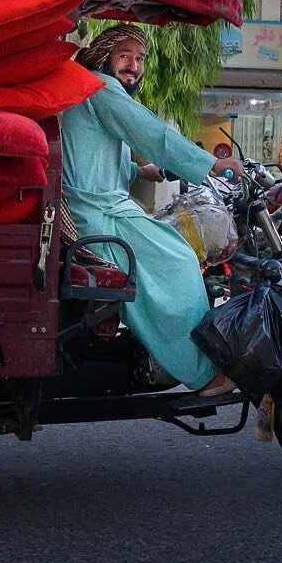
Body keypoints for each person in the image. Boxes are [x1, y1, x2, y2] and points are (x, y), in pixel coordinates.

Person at [61, 24, 243, 396]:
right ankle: (200, 371)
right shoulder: (100, 86)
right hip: (98, 214)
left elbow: (95, 154)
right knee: (177, 259)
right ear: (105, 56)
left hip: (98, 205)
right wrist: (210, 163)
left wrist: (143, 170)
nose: (133, 65)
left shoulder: (89, 89)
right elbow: (150, 132)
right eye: (124, 56)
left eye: (140, 58)